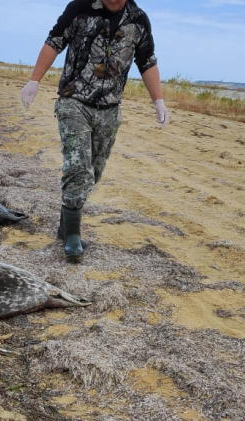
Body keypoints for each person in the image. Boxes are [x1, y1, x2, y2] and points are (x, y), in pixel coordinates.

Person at [20, 0, 169, 262]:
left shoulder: (138, 19)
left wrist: (158, 100)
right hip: (73, 101)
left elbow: (147, 60)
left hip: (110, 109)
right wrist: (34, 80)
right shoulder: (80, 7)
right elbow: (55, 41)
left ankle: (65, 224)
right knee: (78, 168)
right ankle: (73, 236)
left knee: (93, 172)